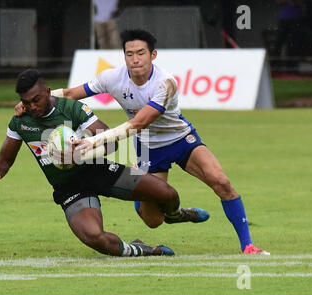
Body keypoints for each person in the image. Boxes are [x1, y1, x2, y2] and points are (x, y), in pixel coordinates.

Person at [16, 30, 269, 255]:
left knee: (221, 181)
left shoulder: (165, 82)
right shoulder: (111, 77)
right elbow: (70, 94)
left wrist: (95, 142)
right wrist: (30, 102)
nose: (135, 59)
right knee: (153, 221)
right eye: (129, 54)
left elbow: (139, 123)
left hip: (181, 139)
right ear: (124, 56)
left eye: (141, 53)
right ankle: (175, 214)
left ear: (153, 55)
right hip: (148, 146)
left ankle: (247, 245)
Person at [0, 69, 205, 257]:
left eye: (37, 99)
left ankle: (175, 215)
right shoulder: (20, 122)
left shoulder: (71, 108)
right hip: (69, 189)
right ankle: (143, 250)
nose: (32, 106)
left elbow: (111, 142)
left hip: (100, 170)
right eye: (27, 102)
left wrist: (80, 153)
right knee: (95, 238)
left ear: (47, 92)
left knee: (167, 193)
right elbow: (4, 160)